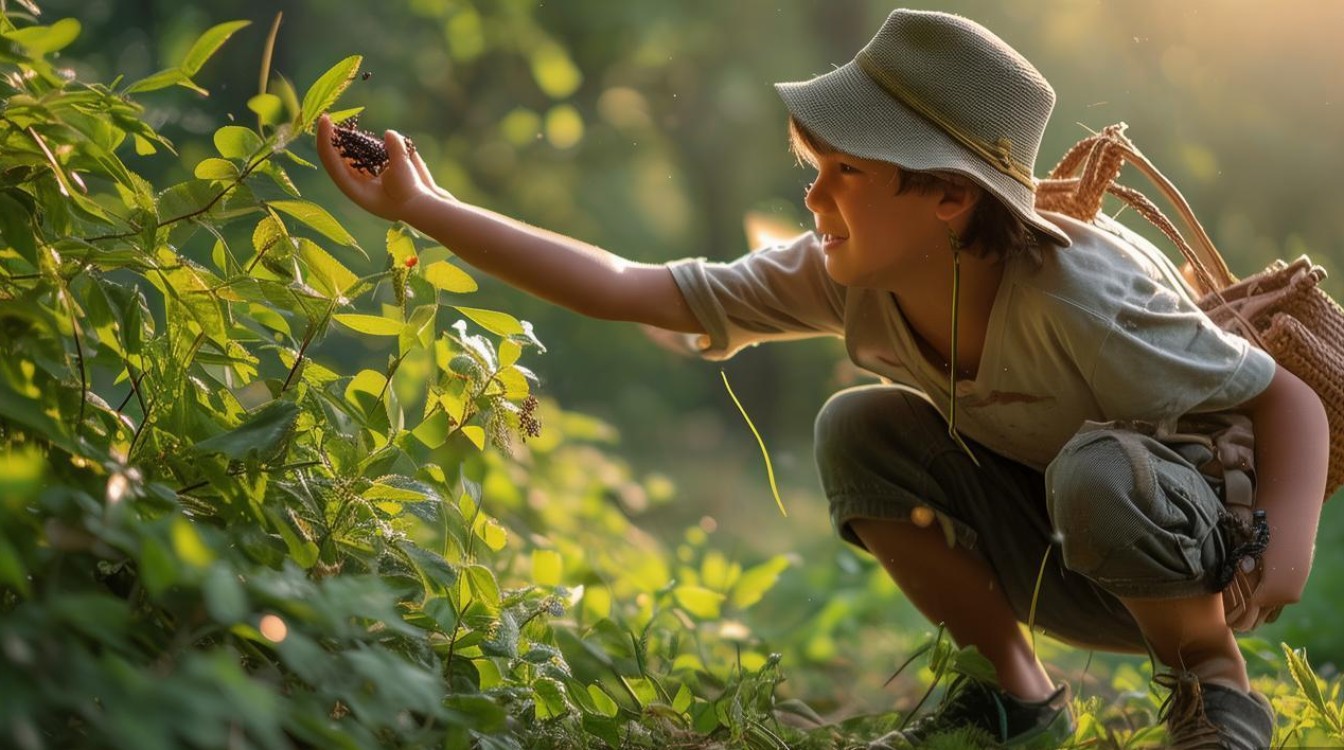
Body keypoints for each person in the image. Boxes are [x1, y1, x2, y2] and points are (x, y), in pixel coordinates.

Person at [317, 9, 1329, 748]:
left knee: (1100, 470)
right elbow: (633, 287)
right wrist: (426, 206)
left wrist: (1280, 563)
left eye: (844, 170)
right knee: (860, 431)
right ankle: (1019, 701)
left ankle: (1211, 689)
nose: (813, 193)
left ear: (943, 197)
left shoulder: (1078, 292)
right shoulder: (848, 279)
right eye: (814, 163)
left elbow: (1278, 396)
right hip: (1058, 547)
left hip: (1190, 552)